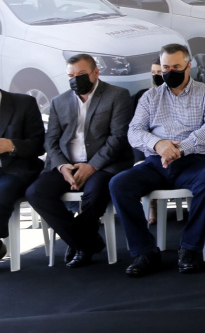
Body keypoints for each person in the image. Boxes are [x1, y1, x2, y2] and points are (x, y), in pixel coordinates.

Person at [109, 43, 205, 277]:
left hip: (193, 161)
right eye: (165, 68)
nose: (170, 72)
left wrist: (180, 148)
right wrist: (158, 144)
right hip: (155, 163)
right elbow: (134, 132)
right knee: (119, 184)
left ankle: (189, 248)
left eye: (176, 67)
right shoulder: (150, 97)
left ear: (188, 67)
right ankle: (145, 252)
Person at [26, 54, 133, 268]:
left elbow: (118, 137)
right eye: (71, 76)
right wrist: (62, 166)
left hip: (104, 164)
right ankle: (85, 242)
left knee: (95, 193)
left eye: (81, 74)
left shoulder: (117, 95)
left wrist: (92, 166)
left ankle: (79, 243)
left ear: (96, 72)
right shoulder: (59, 101)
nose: (76, 79)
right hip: (67, 164)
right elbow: (51, 140)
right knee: (36, 193)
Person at [0, 89, 45, 260]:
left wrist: (11, 145)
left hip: (16, 169)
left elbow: (38, 145)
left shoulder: (24, 103)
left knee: (2, 192)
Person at [131, 60, 164, 163]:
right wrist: (139, 160)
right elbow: (136, 129)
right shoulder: (143, 95)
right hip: (147, 151)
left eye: (159, 72)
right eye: (153, 72)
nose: (156, 76)